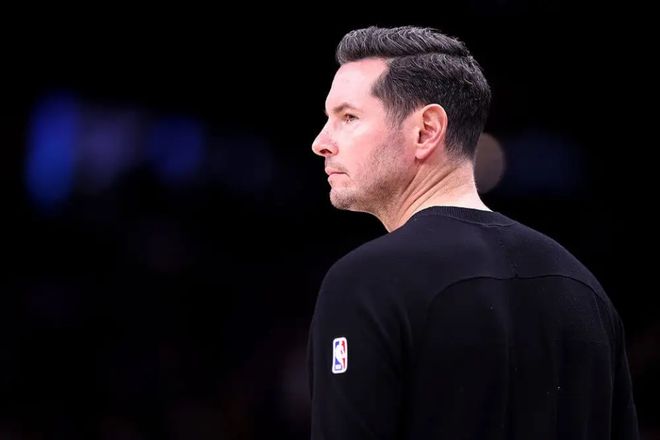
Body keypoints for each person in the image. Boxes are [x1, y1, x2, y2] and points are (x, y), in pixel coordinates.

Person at [307, 25, 639, 439]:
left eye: (348, 118)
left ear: (426, 130)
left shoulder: (364, 283)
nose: (321, 142)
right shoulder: (583, 288)